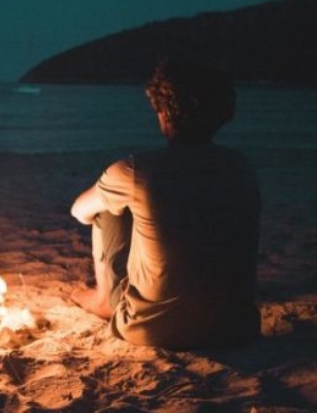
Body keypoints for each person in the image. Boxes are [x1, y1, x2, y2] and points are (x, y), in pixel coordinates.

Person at [70, 59, 261, 349]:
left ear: (163, 115)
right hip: (235, 327)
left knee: (107, 209)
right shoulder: (241, 167)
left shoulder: (137, 170)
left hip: (154, 329)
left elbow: (79, 211)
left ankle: (103, 299)